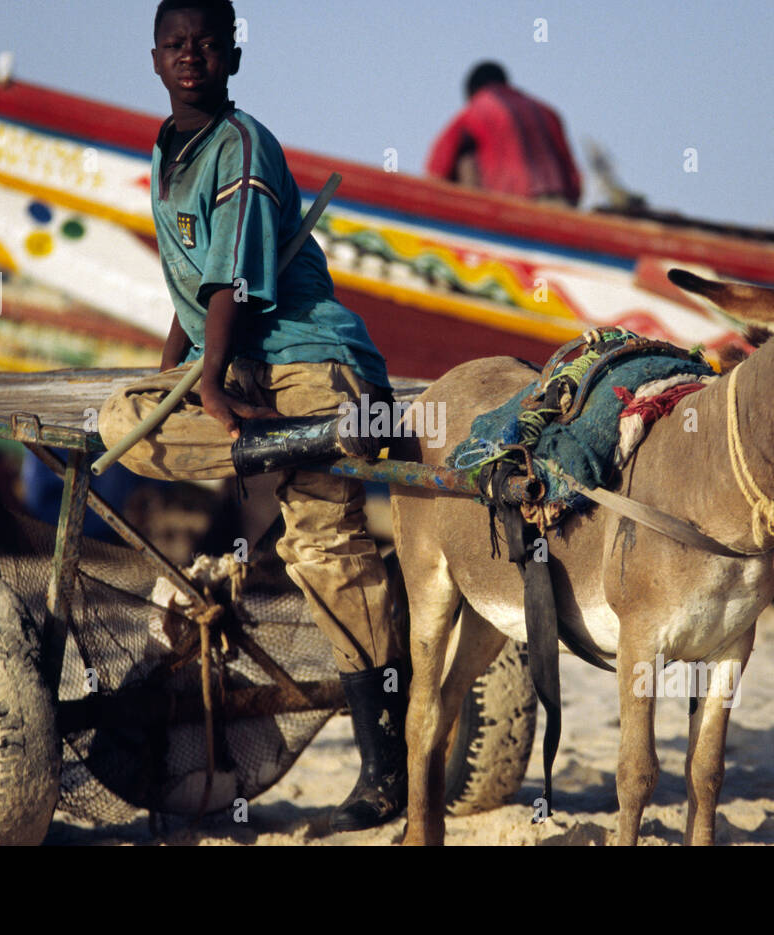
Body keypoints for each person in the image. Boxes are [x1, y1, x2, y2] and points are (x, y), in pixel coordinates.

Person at [98, 0, 406, 832]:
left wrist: (206, 388)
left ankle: (386, 779)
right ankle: (275, 443)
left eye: (206, 43)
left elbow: (230, 281)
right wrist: (178, 373)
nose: (190, 55)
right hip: (244, 369)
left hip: (312, 360)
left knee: (327, 548)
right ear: (154, 59)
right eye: (175, 44)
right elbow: (191, 288)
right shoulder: (167, 150)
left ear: (233, 57)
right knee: (118, 417)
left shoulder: (241, 145)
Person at [426, 61, 581, 207]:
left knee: (464, 155)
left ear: (472, 92)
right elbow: (574, 179)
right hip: (560, 204)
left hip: (509, 204)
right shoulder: (548, 113)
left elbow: (437, 169)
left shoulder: (477, 109)